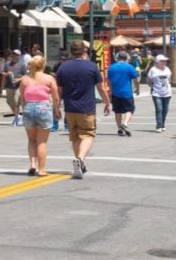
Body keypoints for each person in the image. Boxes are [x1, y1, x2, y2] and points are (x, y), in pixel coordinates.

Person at [56, 40, 111, 179]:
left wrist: (56, 107)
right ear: (84, 51)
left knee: (75, 137)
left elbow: (59, 90)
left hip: (69, 108)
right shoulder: (91, 67)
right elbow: (101, 87)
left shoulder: (63, 68)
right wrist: (107, 102)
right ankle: (80, 159)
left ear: (71, 51)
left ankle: (79, 164)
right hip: (86, 108)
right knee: (87, 135)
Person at [19, 54, 60, 176]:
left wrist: (23, 109)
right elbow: (55, 97)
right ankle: (41, 169)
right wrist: (57, 110)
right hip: (43, 107)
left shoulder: (25, 79)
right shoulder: (49, 78)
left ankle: (32, 164)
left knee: (31, 139)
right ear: (43, 65)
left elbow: (22, 97)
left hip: (28, 107)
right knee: (41, 142)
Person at [108, 51, 139, 136]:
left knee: (117, 111)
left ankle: (119, 129)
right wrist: (137, 88)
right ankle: (125, 123)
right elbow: (136, 80)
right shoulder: (130, 67)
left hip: (115, 93)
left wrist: (111, 90)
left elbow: (109, 81)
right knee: (130, 109)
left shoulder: (111, 67)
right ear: (126, 58)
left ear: (117, 58)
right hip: (127, 93)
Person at [147, 55, 173, 132]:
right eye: (162, 61)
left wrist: (168, 86)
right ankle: (159, 126)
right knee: (159, 109)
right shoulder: (153, 70)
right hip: (156, 93)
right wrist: (153, 87)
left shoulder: (167, 69)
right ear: (157, 62)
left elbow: (169, 79)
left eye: (165, 61)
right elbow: (149, 81)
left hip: (167, 93)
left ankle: (163, 124)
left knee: (165, 109)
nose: (164, 62)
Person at [5, 49, 26, 126]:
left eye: (16, 55)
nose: (14, 56)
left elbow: (25, 76)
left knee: (16, 102)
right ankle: (18, 115)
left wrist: (19, 79)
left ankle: (16, 118)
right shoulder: (7, 64)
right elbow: (3, 73)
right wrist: (7, 73)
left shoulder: (22, 65)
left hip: (18, 86)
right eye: (13, 54)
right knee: (9, 101)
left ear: (19, 56)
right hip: (9, 85)